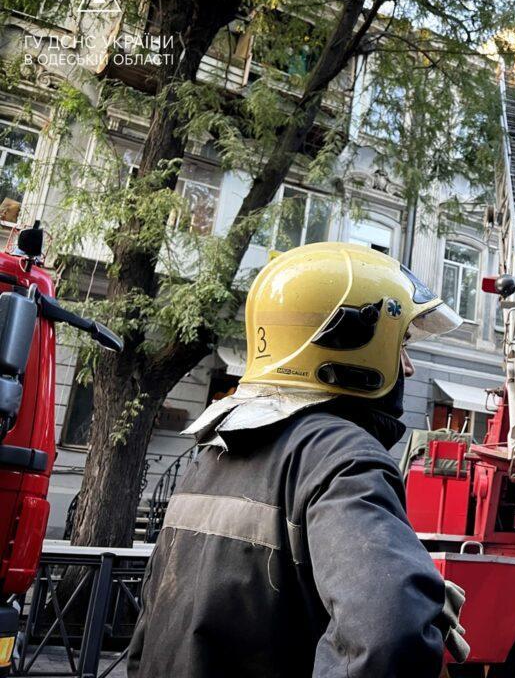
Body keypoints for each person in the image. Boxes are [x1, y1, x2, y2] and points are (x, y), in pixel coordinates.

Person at [128, 242, 469, 677]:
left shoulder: (213, 453)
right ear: (351, 344)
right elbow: (387, 637)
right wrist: (407, 602)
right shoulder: (342, 456)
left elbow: (148, 630)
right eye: (401, 345)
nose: (409, 369)